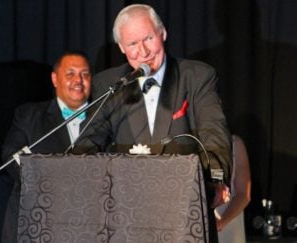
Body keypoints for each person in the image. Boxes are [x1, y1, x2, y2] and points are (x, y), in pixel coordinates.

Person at [74, 4, 233, 242]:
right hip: (125, 218)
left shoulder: (197, 76)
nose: (143, 51)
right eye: (132, 44)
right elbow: (87, 143)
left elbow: (214, 135)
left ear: (163, 33)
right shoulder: (108, 84)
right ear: (121, 47)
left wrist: (216, 182)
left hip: (185, 213)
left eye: (148, 38)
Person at [1, 51, 92, 243]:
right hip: (36, 225)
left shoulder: (104, 116)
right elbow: (10, 157)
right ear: (54, 78)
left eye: (85, 74)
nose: (78, 80)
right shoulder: (29, 115)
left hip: (88, 227)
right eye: (70, 74)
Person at [215, 135, 251, 242]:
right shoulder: (183, 140)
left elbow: (243, 194)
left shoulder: (233, 143)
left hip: (225, 227)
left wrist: (221, 223)